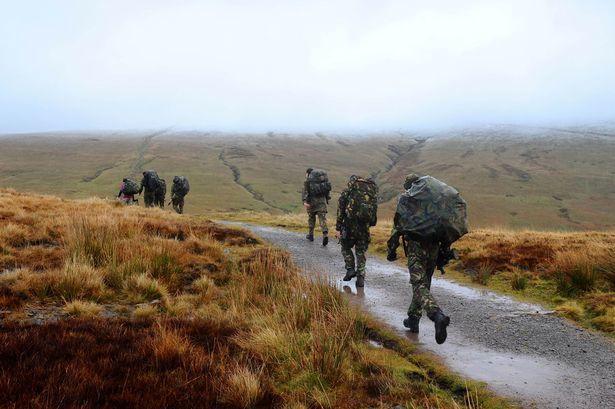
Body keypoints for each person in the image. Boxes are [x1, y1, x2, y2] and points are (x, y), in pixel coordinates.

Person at [387, 174, 451, 344]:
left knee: (418, 285)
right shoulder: (436, 200)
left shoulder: (408, 200)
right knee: (425, 282)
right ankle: (413, 319)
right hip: (434, 247)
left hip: (417, 246)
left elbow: (397, 227)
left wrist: (392, 249)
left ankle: (437, 315)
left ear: (409, 186)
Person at [335, 175, 378, 288]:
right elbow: (373, 215)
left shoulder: (347, 193)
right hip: (364, 228)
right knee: (361, 251)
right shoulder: (370, 194)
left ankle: (350, 269)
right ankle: (361, 277)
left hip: (350, 226)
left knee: (345, 246)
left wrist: (338, 228)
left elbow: (341, 211)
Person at [302, 168, 330, 246]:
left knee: (311, 219)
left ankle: (311, 235)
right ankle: (325, 234)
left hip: (311, 203)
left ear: (308, 174)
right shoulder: (322, 182)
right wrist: (326, 200)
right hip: (322, 203)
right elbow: (327, 193)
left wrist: (304, 201)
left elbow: (305, 192)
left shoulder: (307, 181)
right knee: (322, 219)